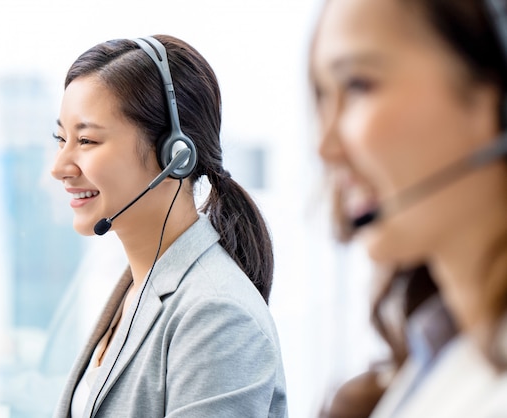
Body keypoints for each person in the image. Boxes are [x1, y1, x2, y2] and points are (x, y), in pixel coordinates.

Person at [49, 34, 287, 418]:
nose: (59, 167)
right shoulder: (135, 289)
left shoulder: (216, 315)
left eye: (87, 140)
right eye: (61, 139)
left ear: (174, 154)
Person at [310, 0, 507, 416]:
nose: (325, 148)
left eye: (358, 86)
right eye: (323, 97)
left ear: (496, 102)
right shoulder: (440, 350)